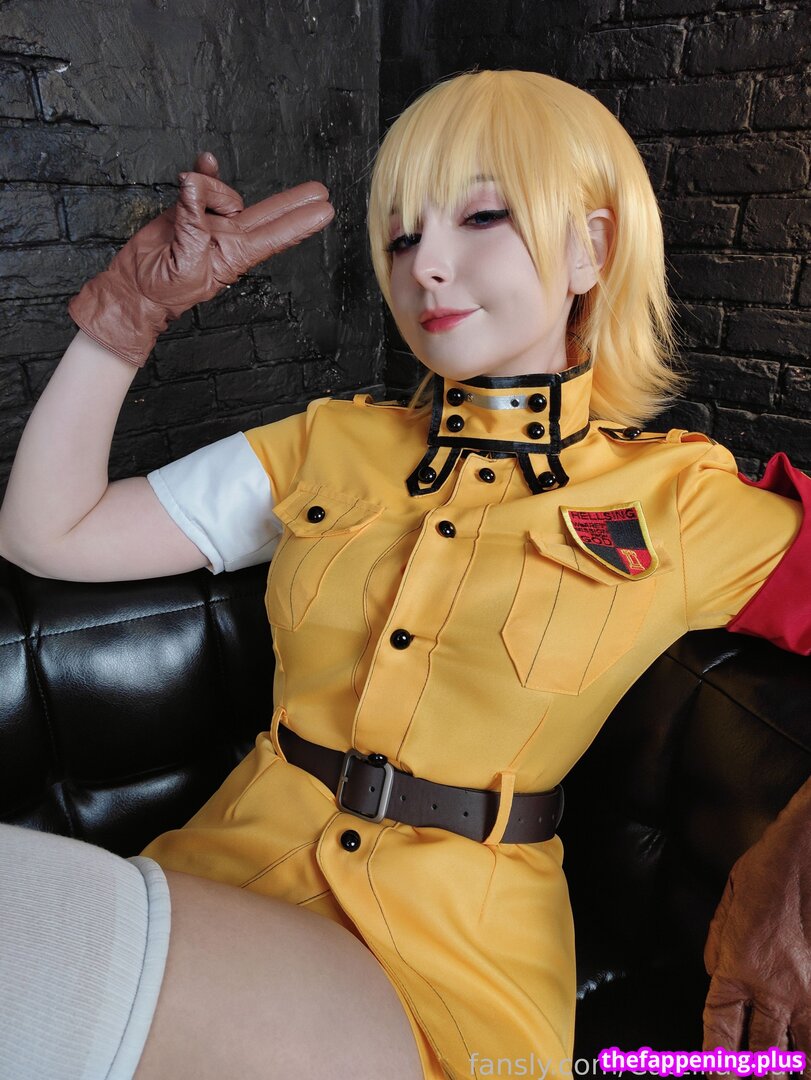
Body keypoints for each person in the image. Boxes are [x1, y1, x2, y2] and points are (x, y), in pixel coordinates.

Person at [0, 69, 809, 1080]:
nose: (425, 265)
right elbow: (50, 533)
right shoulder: (327, 444)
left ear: (590, 248)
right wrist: (126, 316)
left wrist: (792, 867)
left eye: (481, 216)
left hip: (440, 968)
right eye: (400, 235)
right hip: (216, 884)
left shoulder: (678, 501)